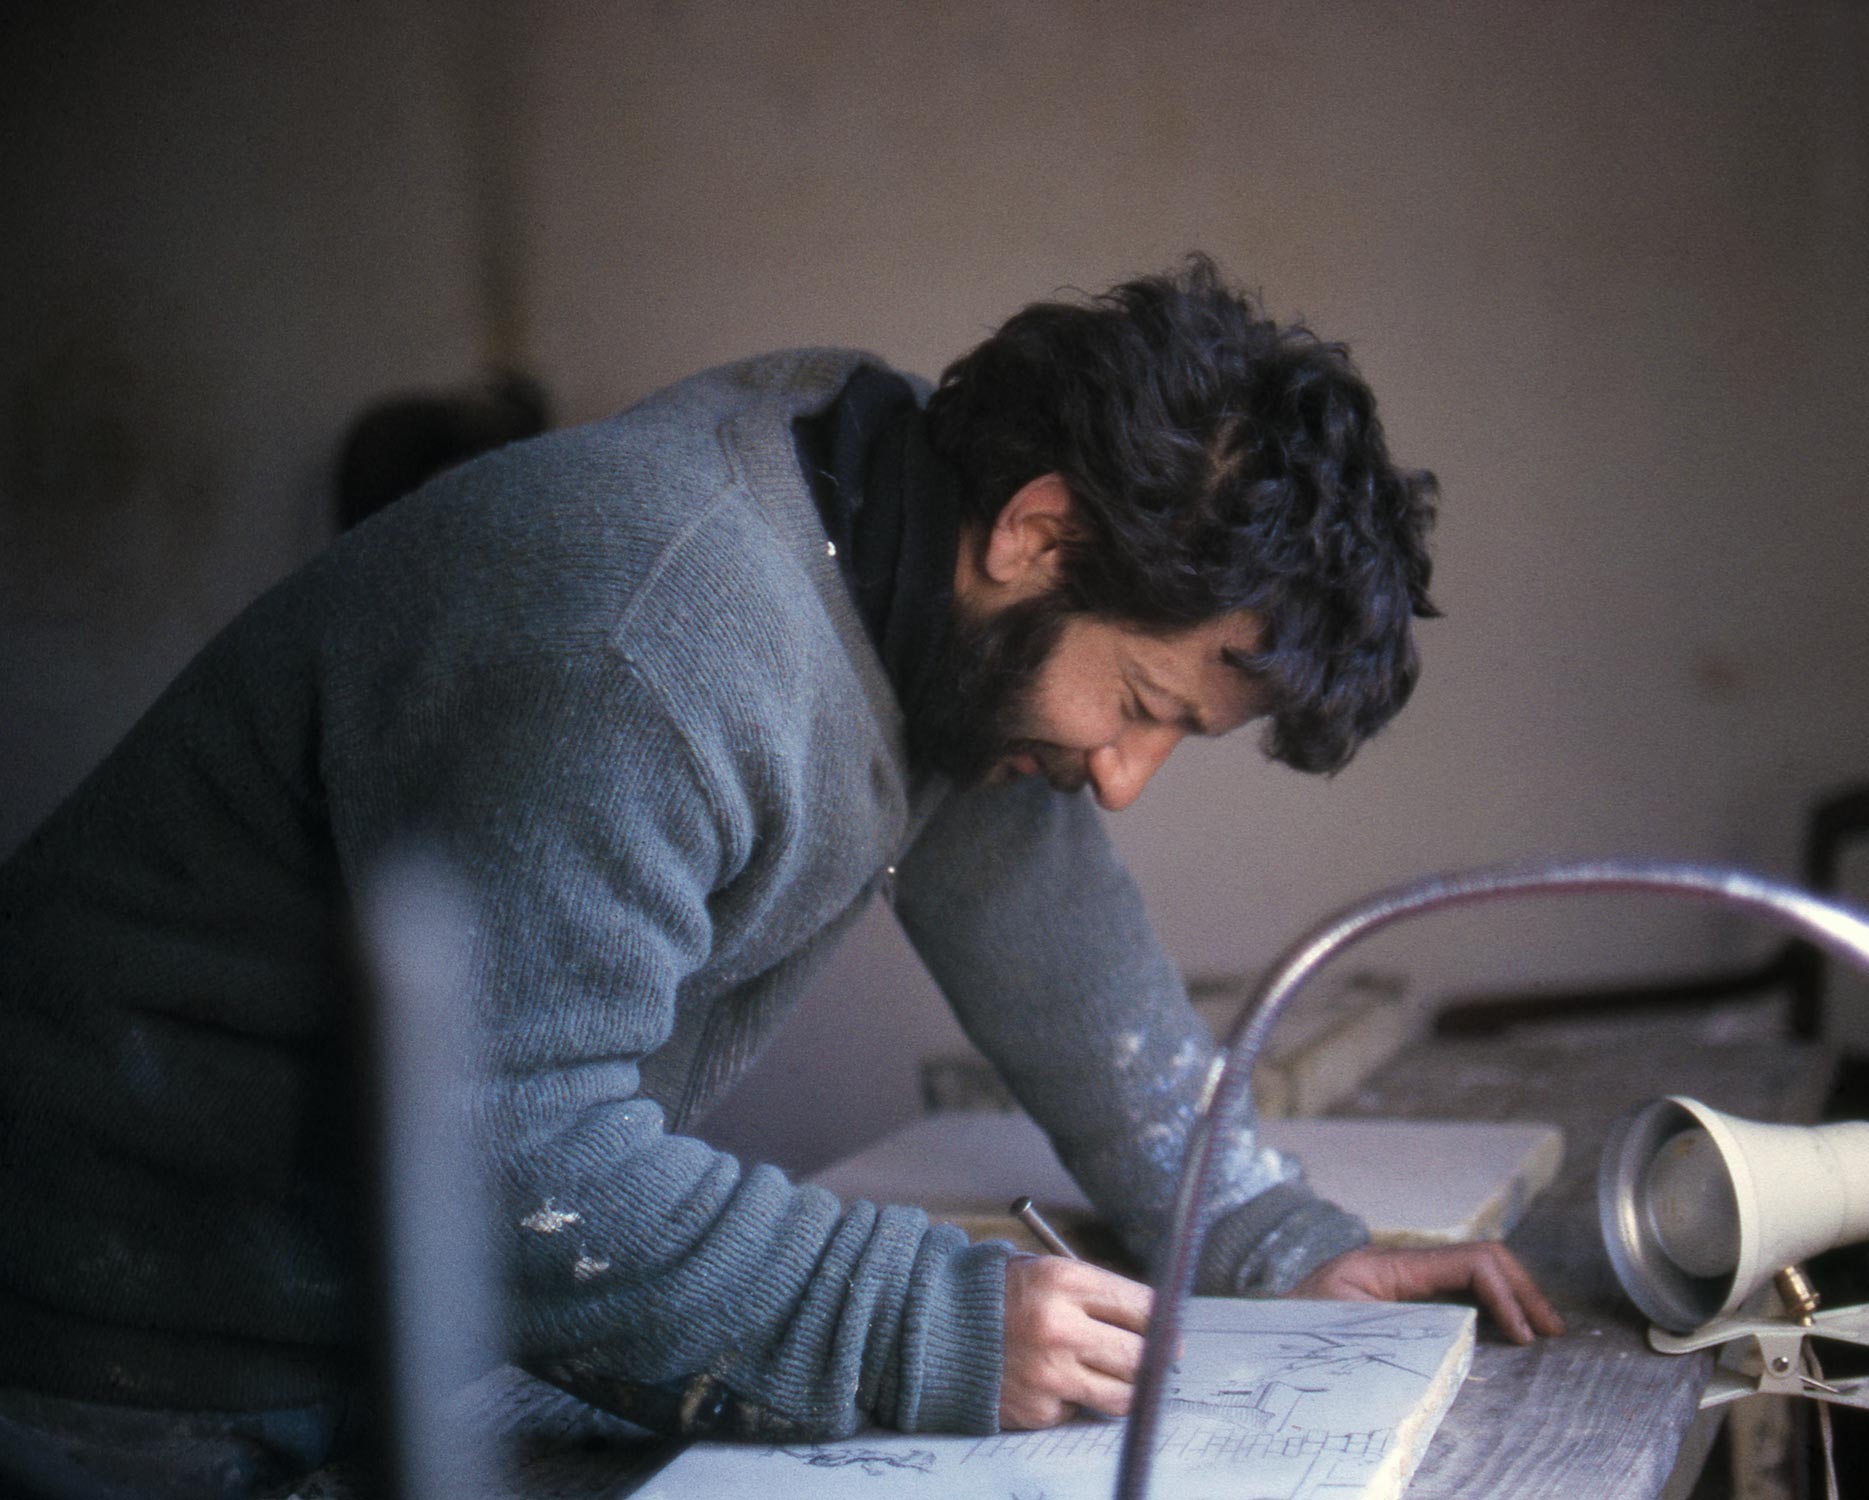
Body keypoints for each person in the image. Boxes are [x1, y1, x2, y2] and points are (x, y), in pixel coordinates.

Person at [0, 257, 1561, 1496]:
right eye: (1145, 706)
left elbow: (1051, 930)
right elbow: (502, 1147)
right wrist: (917, 1322)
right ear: (1039, 531)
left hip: (386, 1330)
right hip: (134, 1365)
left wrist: (1274, 1237)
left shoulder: (902, 540)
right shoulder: (648, 629)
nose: (1124, 776)